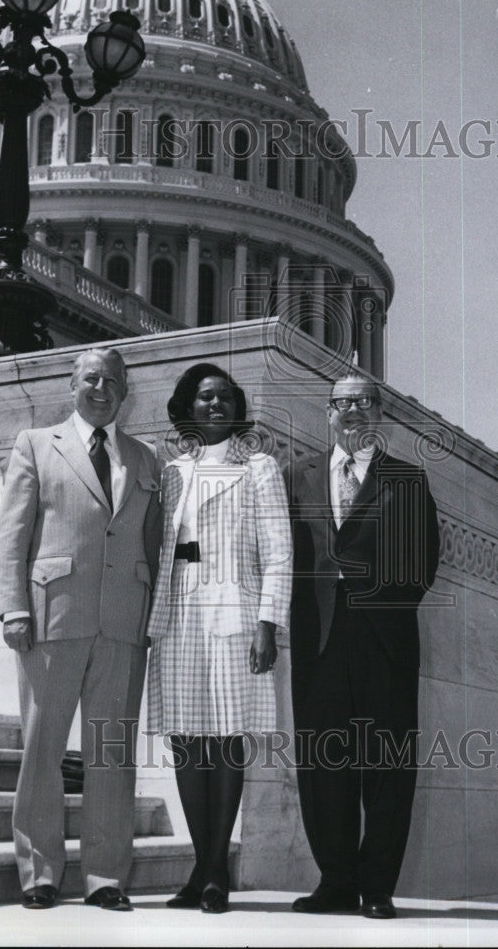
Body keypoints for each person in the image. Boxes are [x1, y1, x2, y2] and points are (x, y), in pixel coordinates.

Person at [0, 347, 161, 911]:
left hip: (123, 624)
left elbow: (153, 544)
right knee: (43, 747)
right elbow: (12, 537)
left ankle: (105, 877)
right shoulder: (36, 444)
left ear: (125, 392)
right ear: (72, 383)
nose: (101, 388)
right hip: (51, 618)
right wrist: (12, 608)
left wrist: (153, 619)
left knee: (110, 753)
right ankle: (39, 873)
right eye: (91, 378)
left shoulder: (145, 457)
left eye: (112, 381)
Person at [285, 370, 440, 920]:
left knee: (386, 765)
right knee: (324, 764)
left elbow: (423, 561)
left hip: (385, 640)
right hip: (318, 639)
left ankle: (377, 886)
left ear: (378, 414)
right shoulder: (295, 476)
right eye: (341, 403)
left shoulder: (408, 479)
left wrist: (379, 600)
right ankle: (335, 882)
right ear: (327, 414)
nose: (352, 411)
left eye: (363, 402)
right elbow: (286, 555)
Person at [146, 363, 292, 914]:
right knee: (187, 739)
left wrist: (267, 624)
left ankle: (214, 874)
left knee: (229, 737)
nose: (216, 405)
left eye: (225, 397)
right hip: (180, 610)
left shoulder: (259, 467)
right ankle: (203, 867)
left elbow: (279, 552)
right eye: (205, 397)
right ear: (187, 406)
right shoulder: (172, 471)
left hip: (235, 609)